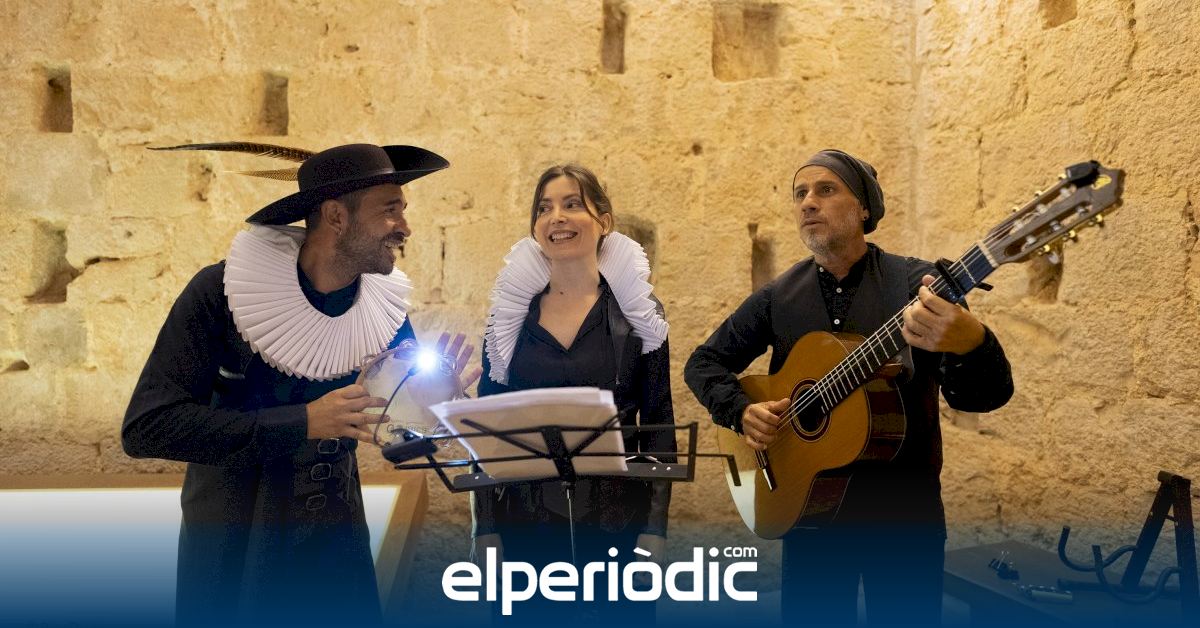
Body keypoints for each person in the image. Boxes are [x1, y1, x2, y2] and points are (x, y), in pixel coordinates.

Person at [122, 143, 475, 626]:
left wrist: (435, 407)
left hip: (334, 543)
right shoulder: (221, 293)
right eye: (389, 210)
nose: (404, 227)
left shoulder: (384, 308)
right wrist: (303, 422)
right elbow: (147, 428)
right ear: (336, 216)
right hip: (234, 544)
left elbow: (392, 434)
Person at [684, 149, 1014, 627]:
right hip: (808, 518)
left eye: (825, 189)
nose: (808, 202)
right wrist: (740, 411)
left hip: (903, 521)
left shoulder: (918, 285)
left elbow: (981, 397)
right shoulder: (778, 297)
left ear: (863, 208)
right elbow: (703, 363)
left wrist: (972, 341)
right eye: (800, 193)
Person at [471, 164, 676, 621]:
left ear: (604, 221)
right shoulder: (509, 316)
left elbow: (658, 420)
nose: (556, 218)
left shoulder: (638, 312)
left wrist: (654, 529)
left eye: (571, 204)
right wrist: (484, 529)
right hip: (524, 521)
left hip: (617, 520)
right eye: (544, 209)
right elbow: (488, 426)